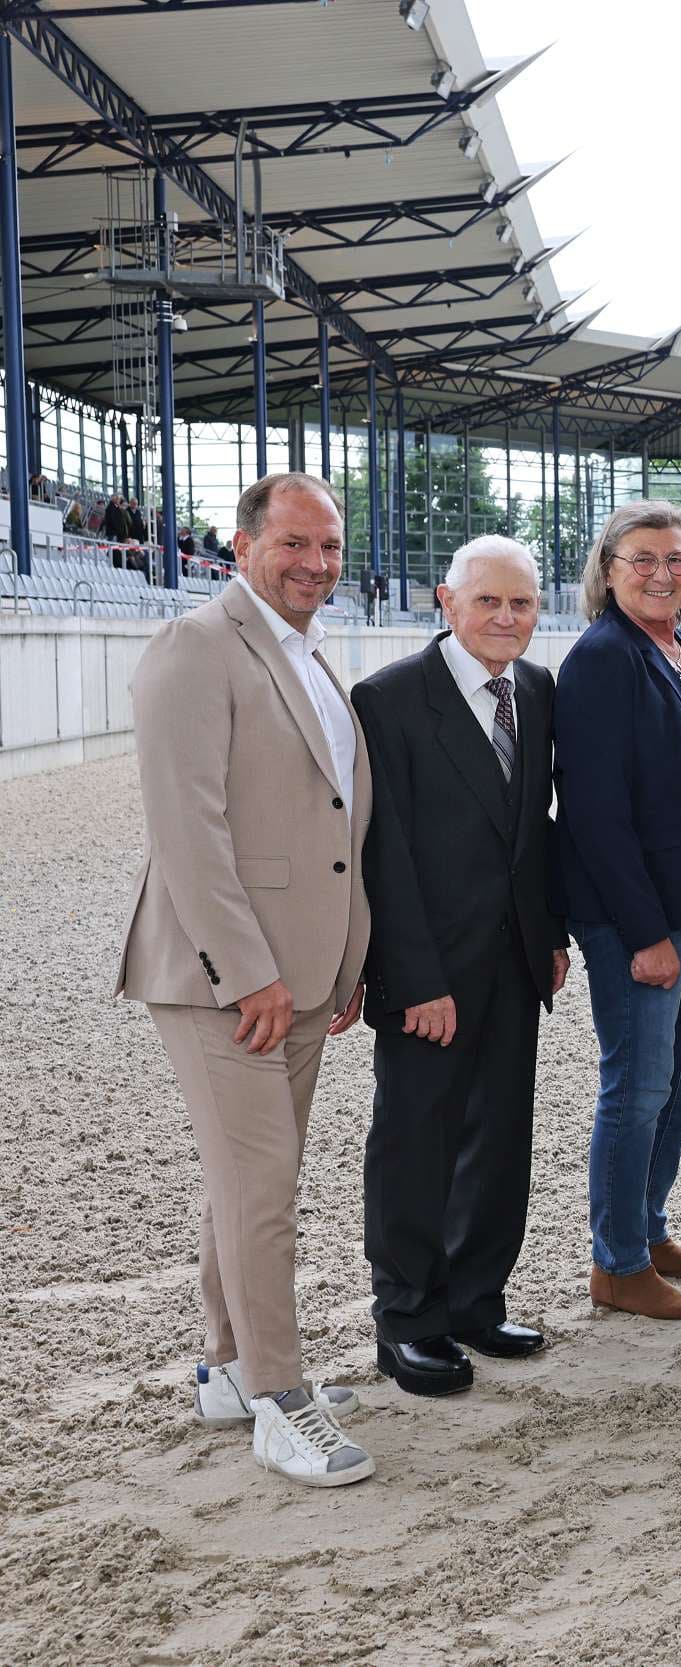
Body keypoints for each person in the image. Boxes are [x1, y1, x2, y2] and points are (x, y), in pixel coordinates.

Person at [115, 471, 375, 1487]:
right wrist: (247, 973)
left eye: (330, 546)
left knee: (249, 1180)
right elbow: (189, 829)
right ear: (242, 543)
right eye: (295, 544)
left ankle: (229, 1369)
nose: (315, 562)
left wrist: (342, 958)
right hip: (228, 977)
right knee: (262, 1184)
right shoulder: (195, 646)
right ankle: (278, 1395)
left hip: (303, 974)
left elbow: (331, 823)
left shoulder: (306, 651)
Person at [352, 535, 566, 1397]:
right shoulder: (391, 699)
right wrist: (413, 979)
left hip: (514, 958)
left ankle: (477, 1298)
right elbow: (383, 852)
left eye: (522, 603)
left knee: (501, 1136)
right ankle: (407, 1318)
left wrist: (548, 936)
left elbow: (535, 830)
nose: (507, 618)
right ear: (447, 600)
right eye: (489, 602)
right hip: (429, 971)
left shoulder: (539, 690)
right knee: (416, 1141)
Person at [554, 501, 681, 1321]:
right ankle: (617, 1262)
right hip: (638, 917)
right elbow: (597, 812)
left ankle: (647, 1225)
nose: (660, 572)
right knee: (639, 1085)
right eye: (641, 559)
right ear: (607, 570)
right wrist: (645, 934)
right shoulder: (604, 660)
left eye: (674, 559)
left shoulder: (679, 646)